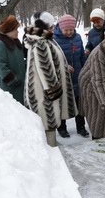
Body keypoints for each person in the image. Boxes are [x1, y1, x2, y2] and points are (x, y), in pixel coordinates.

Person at [24, 12, 77, 146]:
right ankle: (50, 147)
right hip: (44, 92)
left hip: (44, 90)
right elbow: (45, 69)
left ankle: (51, 143)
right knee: (48, 120)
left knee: (50, 120)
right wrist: (53, 91)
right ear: (46, 27)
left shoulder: (44, 39)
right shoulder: (41, 43)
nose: (53, 28)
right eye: (51, 26)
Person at [53, 14, 89, 138]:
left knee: (79, 102)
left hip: (77, 75)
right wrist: (64, 66)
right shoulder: (54, 40)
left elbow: (82, 55)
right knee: (63, 102)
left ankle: (81, 127)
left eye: (71, 29)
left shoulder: (77, 38)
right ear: (60, 28)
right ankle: (62, 127)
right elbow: (52, 60)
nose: (69, 32)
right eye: (66, 30)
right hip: (62, 77)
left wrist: (86, 68)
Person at [0, 15, 26, 104]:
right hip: (9, 88)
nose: (17, 31)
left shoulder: (16, 44)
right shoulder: (0, 44)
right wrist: (12, 80)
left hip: (19, 86)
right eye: (15, 29)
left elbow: (19, 61)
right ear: (8, 30)